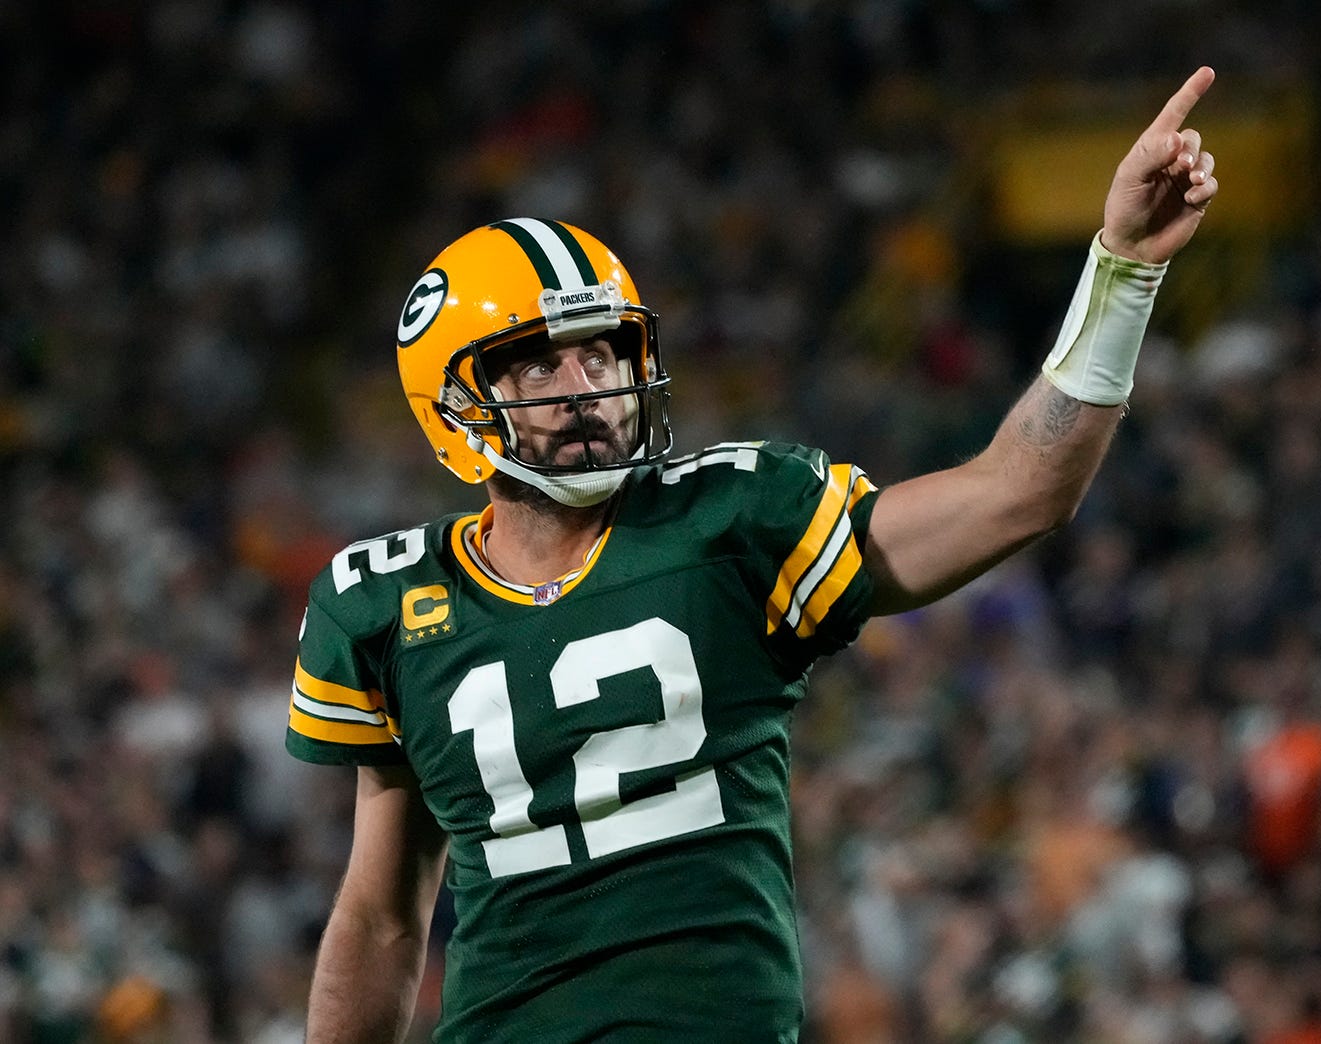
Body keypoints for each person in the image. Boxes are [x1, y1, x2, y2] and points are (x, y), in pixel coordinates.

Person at [286, 67, 1220, 1043]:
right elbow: (383, 913)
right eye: (541, 361)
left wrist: (1121, 269)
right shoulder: (383, 605)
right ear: (453, 404)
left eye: (603, 351)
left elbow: (1020, 491)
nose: (588, 385)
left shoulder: (733, 521)